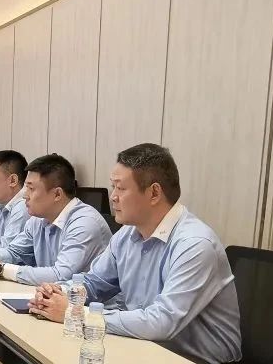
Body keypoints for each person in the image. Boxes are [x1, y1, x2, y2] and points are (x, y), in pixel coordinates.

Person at [29, 144, 241, 364]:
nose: (113, 197)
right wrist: (59, 293)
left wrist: (78, 314)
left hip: (190, 359)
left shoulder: (195, 244)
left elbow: (162, 322)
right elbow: (94, 283)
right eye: (113, 187)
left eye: (120, 188)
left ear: (154, 193)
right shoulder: (127, 234)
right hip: (143, 347)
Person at [0, 154, 111, 286]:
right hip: (49, 297)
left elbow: (60, 275)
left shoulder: (84, 223)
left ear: (57, 194)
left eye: (31, 189)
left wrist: (0, 269)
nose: (25, 195)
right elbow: (14, 252)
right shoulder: (38, 219)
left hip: (89, 304)